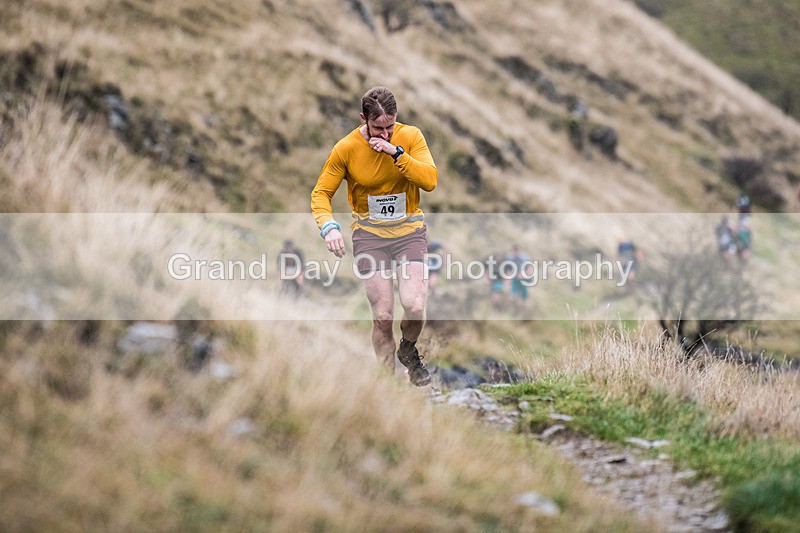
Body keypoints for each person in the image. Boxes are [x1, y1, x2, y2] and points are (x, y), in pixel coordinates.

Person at [311, 86, 438, 386]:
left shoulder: (410, 137)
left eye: (390, 126)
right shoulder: (346, 148)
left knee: (415, 304)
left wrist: (397, 154)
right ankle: (386, 385)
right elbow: (321, 194)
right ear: (363, 120)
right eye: (378, 128)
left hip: (408, 232)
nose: (385, 134)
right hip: (370, 237)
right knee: (382, 315)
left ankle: (408, 350)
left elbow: (430, 180)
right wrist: (328, 227)